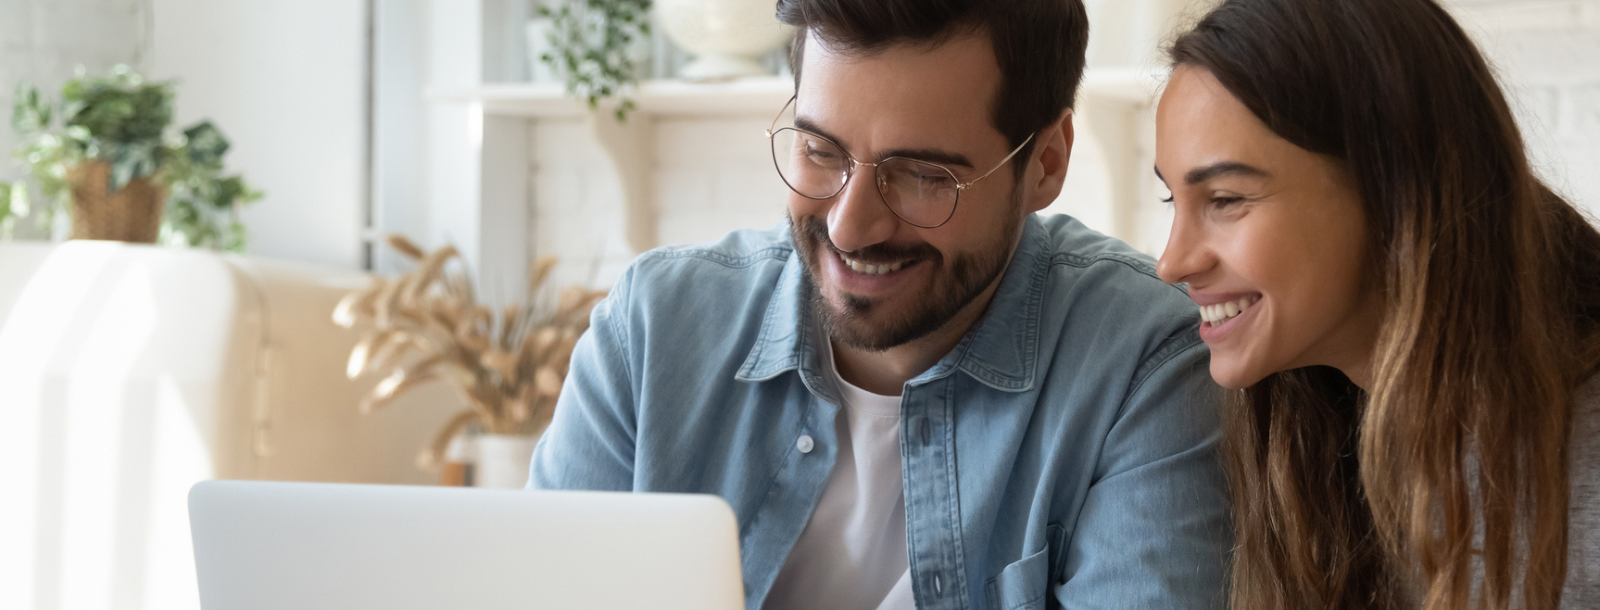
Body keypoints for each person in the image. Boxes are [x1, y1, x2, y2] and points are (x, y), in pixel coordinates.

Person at [531, 0, 1232, 608]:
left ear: (1045, 163)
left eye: (924, 175)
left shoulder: (1144, 364)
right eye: (818, 150)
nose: (849, 226)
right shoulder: (653, 329)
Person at [1153, 0, 1600, 608]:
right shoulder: (1309, 435)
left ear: (1395, 190)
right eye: (1170, 201)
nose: (1172, 262)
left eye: (1226, 199)